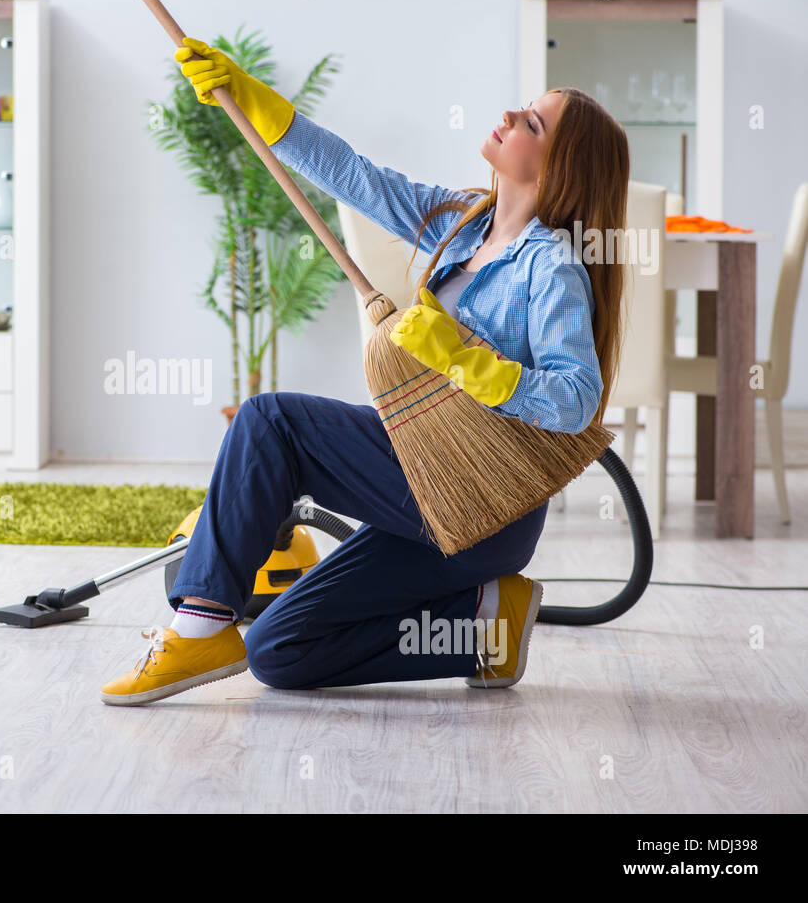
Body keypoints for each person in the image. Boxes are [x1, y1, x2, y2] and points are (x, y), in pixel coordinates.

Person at [100, 36, 629, 706]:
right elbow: (352, 174)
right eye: (524, 108)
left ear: (558, 172)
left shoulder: (549, 266)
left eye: (532, 122)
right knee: (277, 650)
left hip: (489, 506)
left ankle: (197, 623)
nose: (509, 115)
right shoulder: (462, 222)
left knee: (272, 423)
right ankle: (484, 628)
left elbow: (576, 398)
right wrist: (258, 103)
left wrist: (472, 363)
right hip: (433, 488)